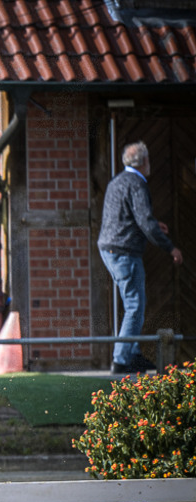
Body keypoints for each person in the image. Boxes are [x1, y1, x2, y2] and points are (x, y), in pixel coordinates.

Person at [98, 141, 183, 374]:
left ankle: (132, 354)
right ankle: (121, 360)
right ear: (144, 162)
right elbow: (144, 221)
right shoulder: (137, 184)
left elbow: (130, 217)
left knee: (131, 304)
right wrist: (170, 248)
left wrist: (155, 225)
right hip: (124, 251)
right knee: (135, 306)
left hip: (109, 248)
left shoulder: (117, 181)